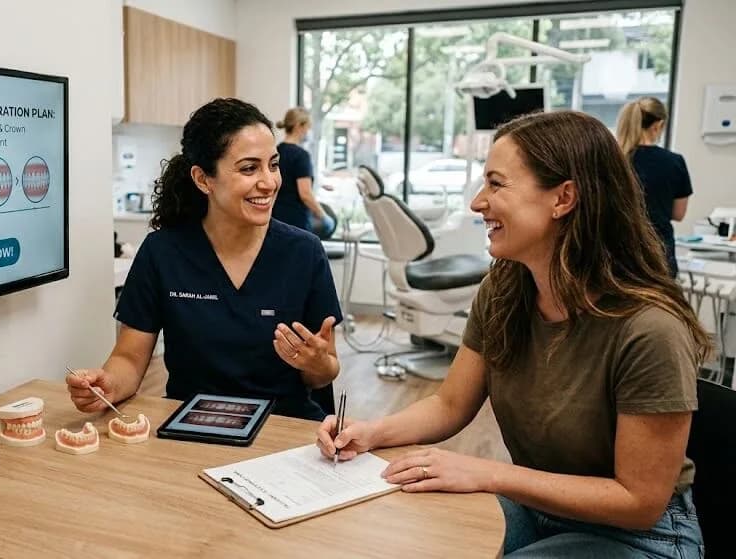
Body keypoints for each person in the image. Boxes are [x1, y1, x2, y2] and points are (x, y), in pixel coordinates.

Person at [317, 111, 710, 557]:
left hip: (638, 536)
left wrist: (488, 474)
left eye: (496, 184)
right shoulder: (504, 290)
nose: (477, 202)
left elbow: (638, 502)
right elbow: (450, 404)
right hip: (537, 506)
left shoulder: (649, 330)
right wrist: (370, 431)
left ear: (563, 198)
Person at [67, 98, 343, 421]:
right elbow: (129, 358)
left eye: (273, 164)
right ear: (203, 179)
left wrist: (318, 363)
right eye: (249, 168)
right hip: (193, 430)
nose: (269, 182)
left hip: (281, 431)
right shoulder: (163, 253)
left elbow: (324, 373)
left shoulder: (305, 253)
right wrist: (108, 384)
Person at [616, 96, 692, 277]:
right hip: (659, 255)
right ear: (658, 125)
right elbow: (678, 214)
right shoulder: (674, 162)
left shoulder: (613, 160)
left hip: (618, 255)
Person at [272, 107, 336, 239]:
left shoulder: (275, 151)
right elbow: (305, 194)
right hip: (296, 222)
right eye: (308, 127)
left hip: (275, 219)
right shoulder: (301, 156)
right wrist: (323, 217)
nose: (309, 131)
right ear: (299, 126)